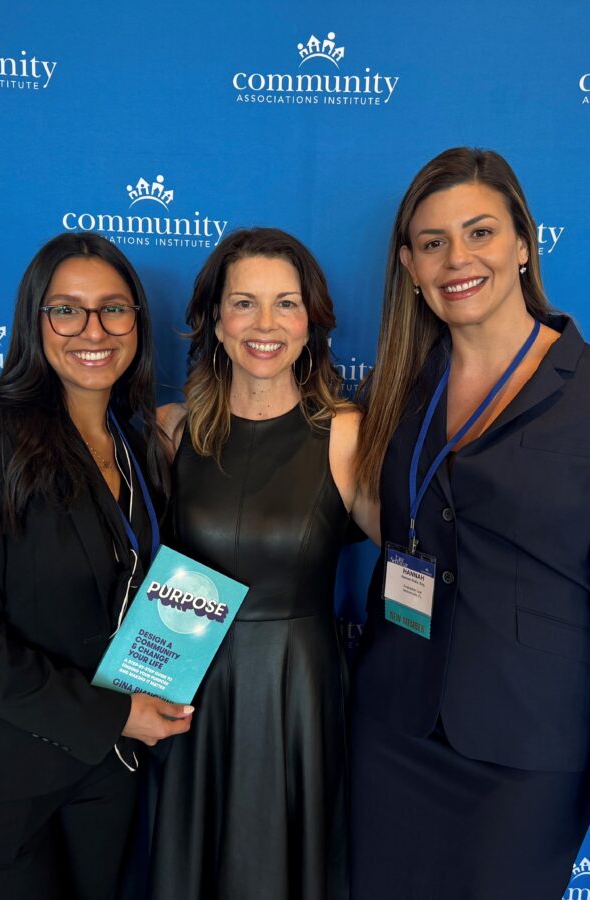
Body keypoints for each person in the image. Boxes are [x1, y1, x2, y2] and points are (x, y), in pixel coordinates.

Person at [350, 148, 590, 898]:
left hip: (528, 754)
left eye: (481, 233)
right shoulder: (396, 388)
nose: (457, 259)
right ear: (408, 264)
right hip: (391, 730)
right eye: (433, 243)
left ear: (525, 244)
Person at [0, 232, 194, 900]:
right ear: (36, 322)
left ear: (138, 324)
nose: (93, 329)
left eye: (113, 309)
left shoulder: (138, 446)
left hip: (101, 780)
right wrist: (114, 716)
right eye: (68, 310)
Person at [149, 228, 377, 900]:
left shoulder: (345, 432)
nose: (266, 324)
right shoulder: (173, 430)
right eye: (244, 303)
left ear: (313, 323)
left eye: (287, 304)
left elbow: (421, 553)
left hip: (299, 694)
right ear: (215, 321)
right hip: (189, 694)